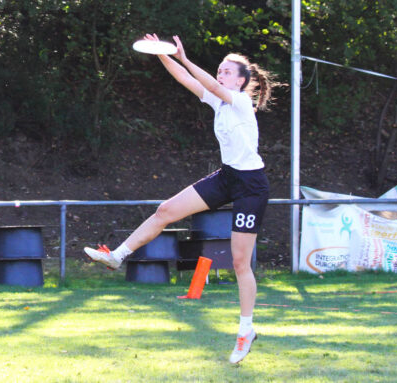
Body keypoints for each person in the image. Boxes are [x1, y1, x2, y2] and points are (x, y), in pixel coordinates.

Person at [84, 33, 276, 364]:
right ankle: (118, 256)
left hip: (251, 186)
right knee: (165, 210)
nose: (221, 74)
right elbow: (186, 79)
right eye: (221, 69)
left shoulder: (240, 101)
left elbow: (209, 84)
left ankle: (246, 331)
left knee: (241, 262)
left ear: (242, 81)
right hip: (227, 177)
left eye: (228, 71)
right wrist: (162, 53)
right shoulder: (220, 101)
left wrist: (185, 56)